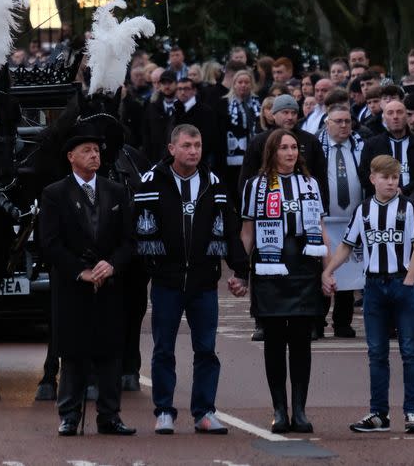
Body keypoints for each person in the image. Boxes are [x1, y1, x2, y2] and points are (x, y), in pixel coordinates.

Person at [134, 124, 248, 435]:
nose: (193, 151)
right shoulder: (149, 182)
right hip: (167, 281)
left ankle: (204, 412)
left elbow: (230, 228)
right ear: (172, 149)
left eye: (197, 145)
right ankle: (164, 411)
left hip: (203, 281)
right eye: (186, 145)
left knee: (206, 349)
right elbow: (137, 230)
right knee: (163, 349)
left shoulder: (215, 184)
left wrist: (240, 271)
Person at [38, 126, 136, 437]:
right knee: (73, 352)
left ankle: (109, 416)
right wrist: (80, 272)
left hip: (108, 284)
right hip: (72, 286)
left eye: (96, 150)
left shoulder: (116, 192)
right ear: (71, 157)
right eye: (86, 151)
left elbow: (129, 241)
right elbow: (49, 243)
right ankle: (69, 414)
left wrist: (112, 265)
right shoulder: (54, 194)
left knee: (110, 352)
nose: (94, 155)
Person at [323, 155, 414, 434]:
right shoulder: (363, 209)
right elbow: (346, 246)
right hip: (373, 287)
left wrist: (408, 282)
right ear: (373, 179)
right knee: (377, 352)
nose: (391, 182)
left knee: (410, 352)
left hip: (402, 284)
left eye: (395, 178)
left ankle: (412, 412)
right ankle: (379, 413)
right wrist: (328, 270)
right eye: (385, 177)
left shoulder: (411, 207)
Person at [240, 129, 329, 433]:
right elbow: (248, 231)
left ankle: (300, 410)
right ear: (272, 152)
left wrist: (328, 272)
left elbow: (321, 227)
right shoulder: (256, 185)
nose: (291, 153)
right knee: (275, 340)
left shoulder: (310, 183)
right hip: (269, 264)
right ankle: (279, 409)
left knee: (302, 340)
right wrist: (241, 272)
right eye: (284, 148)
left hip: (304, 265)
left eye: (294, 148)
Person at [318, 104, 364, 338]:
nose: (344, 125)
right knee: (324, 268)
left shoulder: (361, 145)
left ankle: (342, 322)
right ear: (328, 123)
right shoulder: (317, 146)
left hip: (352, 217)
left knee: (349, 270)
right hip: (325, 218)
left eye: (347, 121)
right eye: (338, 121)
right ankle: (317, 321)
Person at [359, 100, 414, 198]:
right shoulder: (372, 145)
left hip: (413, 201)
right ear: (384, 119)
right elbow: (365, 174)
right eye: (390, 113)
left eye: (399, 112)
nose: (395, 117)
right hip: (380, 202)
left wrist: (404, 191)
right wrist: (385, 191)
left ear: (406, 116)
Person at [217, 69, 260, 204]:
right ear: (234, 84)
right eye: (240, 82)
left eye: (247, 82)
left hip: (253, 156)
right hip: (231, 158)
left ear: (251, 85)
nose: (243, 85)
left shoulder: (257, 104)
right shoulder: (223, 104)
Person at [142, 70, 178, 164]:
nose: (166, 86)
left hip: (177, 158)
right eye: (163, 83)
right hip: (156, 158)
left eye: (170, 82)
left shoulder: (182, 107)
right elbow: (146, 134)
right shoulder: (152, 107)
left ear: (176, 84)